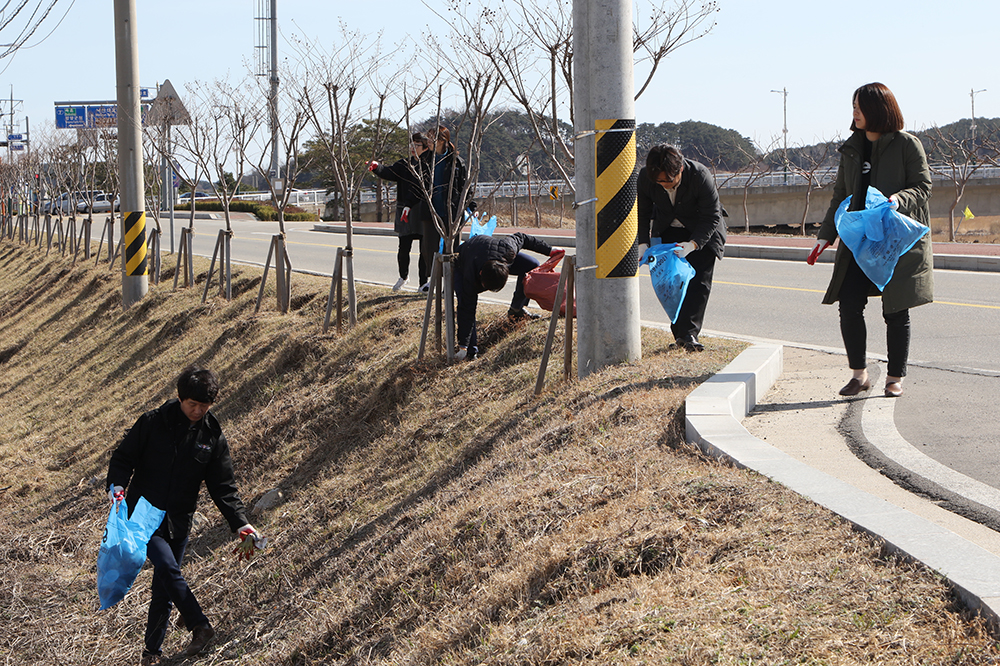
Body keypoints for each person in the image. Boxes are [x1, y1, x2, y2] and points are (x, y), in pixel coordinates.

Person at [106, 366, 262, 665]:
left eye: (204, 406)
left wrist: (241, 522)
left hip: (179, 519)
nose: (198, 411)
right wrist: (117, 486)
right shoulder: (153, 422)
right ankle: (199, 624)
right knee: (167, 567)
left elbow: (223, 486)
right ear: (180, 398)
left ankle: (151, 653)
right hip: (143, 514)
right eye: (193, 404)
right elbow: (123, 457)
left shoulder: (212, 435)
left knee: (164, 585)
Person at [809, 82, 933, 398]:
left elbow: (922, 187)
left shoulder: (907, 145)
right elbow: (840, 196)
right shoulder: (852, 147)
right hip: (857, 241)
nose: (855, 113)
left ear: (879, 109)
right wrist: (825, 236)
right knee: (849, 304)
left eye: (860, 107)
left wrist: (898, 200)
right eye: (854, 107)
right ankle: (859, 374)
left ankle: (894, 378)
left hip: (894, 241)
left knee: (895, 309)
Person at [637, 144, 727, 351]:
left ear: (680, 170)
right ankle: (680, 334)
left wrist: (693, 244)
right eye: (658, 182)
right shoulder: (646, 178)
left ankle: (689, 334)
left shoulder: (699, 175)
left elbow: (712, 215)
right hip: (669, 229)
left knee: (698, 282)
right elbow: (641, 212)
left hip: (702, 230)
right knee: (672, 282)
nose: (663, 185)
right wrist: (643, 243)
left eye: (668, 181)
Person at [454, 232, 558, 360]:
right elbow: (467, 311)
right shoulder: (469, 276)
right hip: (465, 256)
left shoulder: (508, 249)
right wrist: (463, 346)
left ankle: (517, 309)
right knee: (466, 302)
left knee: (532, 265)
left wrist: (550, 250)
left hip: (494, 254)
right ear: (480, 274)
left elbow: (522, 237)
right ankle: (471, 351)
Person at [369, 133, 432, 291]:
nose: (412, 148)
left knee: (424, 249)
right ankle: (403, 277)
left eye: (416, 145)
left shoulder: (430, 165)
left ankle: (423, 282)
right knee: (403, 247)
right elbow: (390, 172)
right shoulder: (405, 164)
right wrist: (377, 168)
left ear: (425, 147)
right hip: (404, 207)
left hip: (422, 209)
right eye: (411, 144)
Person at [422, 125, 468, 290]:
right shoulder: (425, 159)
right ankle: (433, 280)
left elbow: (465, 186)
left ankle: (451, 283)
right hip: (432, 212)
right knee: (430, 249)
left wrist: (470, 206)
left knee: (453, 250)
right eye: (427, 137)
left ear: (442, 141)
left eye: (431, 138)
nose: (428, 141)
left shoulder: (456, 161)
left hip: (452, 212)